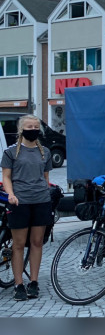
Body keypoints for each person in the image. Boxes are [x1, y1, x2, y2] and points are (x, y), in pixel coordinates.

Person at [1, 115, 53, 301]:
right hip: (19, 202)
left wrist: (46, 192)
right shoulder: (11, 152)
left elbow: (45, 176)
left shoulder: (45, 152)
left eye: (36, 126)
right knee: (19, 244)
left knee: (37, 243)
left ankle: (33, 282)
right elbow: (6, 176)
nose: (33, 129)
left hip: (41, 200)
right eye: (29, 126)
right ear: (21, 129)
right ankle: (18, 284)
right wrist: (11, 194)